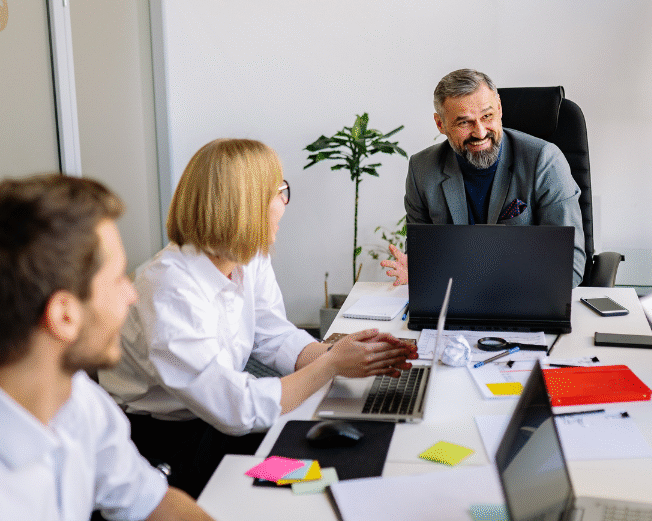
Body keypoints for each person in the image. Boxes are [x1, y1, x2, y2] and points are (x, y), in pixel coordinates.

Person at [0, 175, 299, 521]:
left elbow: (147, 500)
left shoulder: (80, 403)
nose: (132, 295)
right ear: (64, 315)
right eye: (116, 280)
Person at [100, 139, 416, 497]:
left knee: (344, 462)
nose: (284, 202)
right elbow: (236, 409)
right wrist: (330, 366)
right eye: (279, 191)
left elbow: (274, 335)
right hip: (167, 446)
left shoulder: (247, 256)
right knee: (312, 482)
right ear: (244, 205)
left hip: (218, 421)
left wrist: (339, 355)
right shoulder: (168, 288)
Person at [380, 69, 587, 286]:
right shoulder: (422, 169)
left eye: (487, 116)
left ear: (499, 108)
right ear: (440, 124)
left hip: (524, 298)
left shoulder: (545, 161)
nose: (480, 132)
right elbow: (422, 257)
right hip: (455, 302)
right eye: (464, 123)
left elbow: (568, 264)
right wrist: (415, 270)